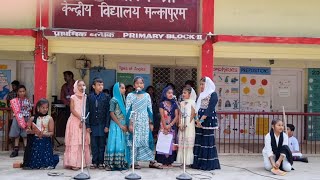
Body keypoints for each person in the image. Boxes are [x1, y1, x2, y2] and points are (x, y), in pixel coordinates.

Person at [126, 76, 162, 169]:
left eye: (141, 83)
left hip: (144, 121)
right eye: (137, 83)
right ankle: (134, 162)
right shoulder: (130, 96)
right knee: (134, 140)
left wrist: (151, 123)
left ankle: (151, 161)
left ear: (143, 85)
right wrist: (130, 123)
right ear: (134, 85)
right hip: (134, 121)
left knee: (147, 140)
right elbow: (128, 110)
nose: (139, 85)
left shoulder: (147, 95)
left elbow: (149, 109)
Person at [192, 77, 220, 171]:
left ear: (207, 85)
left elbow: (209, 110)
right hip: (199, 120)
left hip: (207, 121)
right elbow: (197, 108)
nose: (201, 86)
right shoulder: (201, 95)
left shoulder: (213, 94)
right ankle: (198, 164)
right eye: (200, 84)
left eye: (203, 84)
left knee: (207, 142)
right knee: (199, 142)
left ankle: (207, 164)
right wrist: (196, 120)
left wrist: (201, 121)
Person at [23, 98, 59, 169]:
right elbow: (27, 130)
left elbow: (51, 132)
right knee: (33, 164)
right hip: (35, 141)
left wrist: (44, 134)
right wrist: (32, 131)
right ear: (38, 108)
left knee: (46, 163)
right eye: (43, 108)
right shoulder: (33, 118)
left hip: (45, 141)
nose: (45, 109)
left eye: (46, 108)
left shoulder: (49, 118)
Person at [64, 80, 91, 170]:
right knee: (74, 142)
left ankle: (82, 163)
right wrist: (81, 118)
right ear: (76, 87)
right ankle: (73, 163)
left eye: (83, 85)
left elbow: (87, 109)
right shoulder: (73, 97)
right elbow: (72, 109)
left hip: (83, 121)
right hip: (75, 121)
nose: (81, 87)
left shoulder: (86, 97)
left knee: (83, 142)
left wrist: (84, 120)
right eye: (79, 85)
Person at [86, 78, 111, 169]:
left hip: (102, 124)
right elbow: (87, 111)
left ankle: (101, 162)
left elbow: (108, 112)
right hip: (93, 124)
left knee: (102, 144)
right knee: (94, 144)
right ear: (93, 86)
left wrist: (107, 125)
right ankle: (94, 161)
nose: (101, 87)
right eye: (99, 85)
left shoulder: (106, 97)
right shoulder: (89, 97)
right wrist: (87, 125)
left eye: (102, 85)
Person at [105, 82, 129, 171]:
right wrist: (120, 125)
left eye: (124, 88)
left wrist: (125, 124)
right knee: (115, 143)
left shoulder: (124, 99)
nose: (124, 90)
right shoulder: (114, 100)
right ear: (117, 89)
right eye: (122, 88)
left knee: (122, 143)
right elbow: (111, 113)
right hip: (116, 125)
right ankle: (111, 164)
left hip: (123, 124)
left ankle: (121, 163)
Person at [155, 86, 179, 168]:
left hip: (171, 127)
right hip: (163, 126)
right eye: (169, 93)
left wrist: (170, 125)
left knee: (171, 144)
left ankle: (170, 162)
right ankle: (163, 162)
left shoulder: (175, 104)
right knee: (163, 142)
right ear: (165, 94)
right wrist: (165, 126)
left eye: (172, 93)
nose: (170, 94)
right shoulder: (162, 104)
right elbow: (162, 116)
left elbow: (176, 116)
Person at [9, 85, 32, 158]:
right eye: (20, 91)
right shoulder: (15, 101)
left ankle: (26, 150)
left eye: (23, 91)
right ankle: (16, 150)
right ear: (17, 92)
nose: (22, 93)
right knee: (17, 135)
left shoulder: (27, 101)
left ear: (25, 92)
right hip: (17, 119)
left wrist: (29, 120)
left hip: (25, 118)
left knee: (25, 135)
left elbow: (30, 110)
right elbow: (12, 109)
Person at [176, 86, 197, 166]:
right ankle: (182, 161)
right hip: (182, 123)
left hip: (189, 124)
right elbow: (180, 114)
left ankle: (188, 162)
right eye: (183, 93)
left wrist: (187, 124)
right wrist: (180, 123)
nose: (183, 94)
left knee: (188, 142)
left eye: (185, 93)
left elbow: (193, 114)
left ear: (190, 94)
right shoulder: (181, 103)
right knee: (182, 142)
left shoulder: (192, 102)